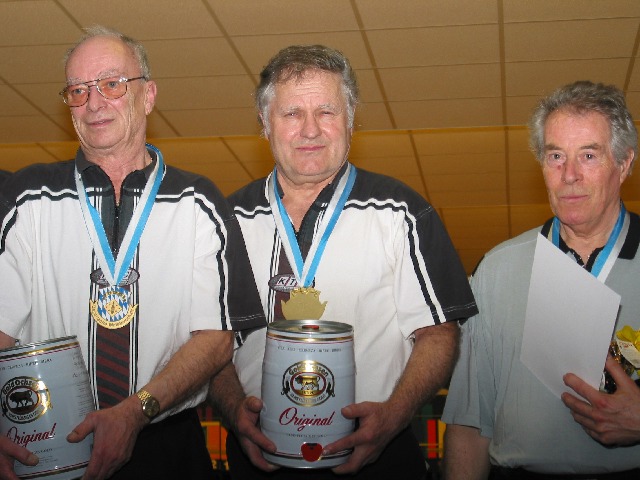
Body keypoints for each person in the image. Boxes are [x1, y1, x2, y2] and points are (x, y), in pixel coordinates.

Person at [0, 26, 265, 480]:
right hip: (46, 439)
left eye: (111, 84)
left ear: (148, 96)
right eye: (78, 90)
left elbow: (216, 338)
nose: (93, 102)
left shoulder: (199, 202)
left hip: (167, 444)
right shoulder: (27, 197)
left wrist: (136, 411)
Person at [207, 44, 478, 479]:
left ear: (350, 120)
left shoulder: (403, 212)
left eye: (327, 112)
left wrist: (393, 415)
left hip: (378, 454)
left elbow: (439, 333)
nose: (310, 129)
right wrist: (234, 408)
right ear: (264, 123)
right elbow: (211, 344)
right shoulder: (224, 222)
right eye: (292, 113)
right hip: (258, 456)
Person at [442, 80, 640, 480]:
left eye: (588, 155)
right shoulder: (497, 270)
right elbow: (469, 424)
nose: (569, 175)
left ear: (624, 164)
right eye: (555, 156)